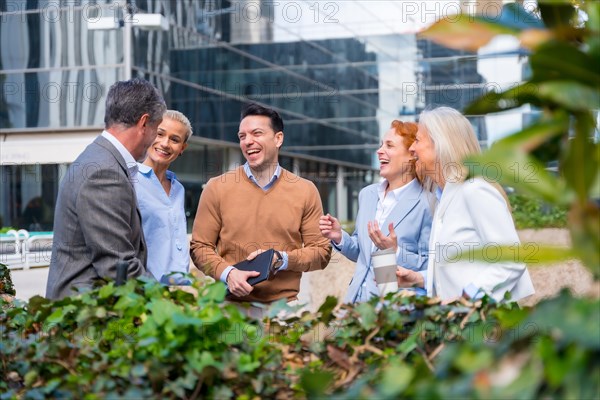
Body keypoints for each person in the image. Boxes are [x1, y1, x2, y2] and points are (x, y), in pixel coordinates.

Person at [190, 103, 332, 303]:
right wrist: (228, 273)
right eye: (242, 136)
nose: (248, 141)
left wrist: (281, 259)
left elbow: (321, 253)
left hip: (285, 309)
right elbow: (199, 247)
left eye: (256, 133)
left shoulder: (305, 190)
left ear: (278, 138)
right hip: (230, 307)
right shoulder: (217, 187)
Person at [397, 106, 534, 302]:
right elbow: (458, 272)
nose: (411, 148)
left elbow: (511, 261)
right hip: (462, 323)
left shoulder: (474, 190)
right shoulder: (444, 196)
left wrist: (467, 296)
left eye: (418, 140)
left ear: (440, 144)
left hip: (483, 325)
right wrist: (419, 279)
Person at [46, 78, 166, 299]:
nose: (155, 142)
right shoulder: (104, 172)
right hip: (85, 318)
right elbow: (118, 265)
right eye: (157, 131)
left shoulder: (99, 159)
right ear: (144, 123)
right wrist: (169, 303)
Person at [320, 120, 433, 303]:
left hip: (393, 311)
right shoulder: (368, 194)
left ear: (411, 155)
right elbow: (362, 252)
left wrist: (394, 252)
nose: (379, 151)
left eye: (389, 145)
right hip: (356, 304)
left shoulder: (427, 203)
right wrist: (339, 237)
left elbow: (431, 266)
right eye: (381, 144)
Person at [134, 110, 192, 282]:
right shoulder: (130, 182)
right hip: (146, 291)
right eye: (160, 134)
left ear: (182, 148)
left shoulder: (178, 189)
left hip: (178, 290)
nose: (165, 144)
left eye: (175, 139)